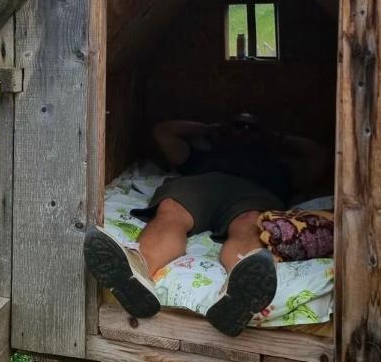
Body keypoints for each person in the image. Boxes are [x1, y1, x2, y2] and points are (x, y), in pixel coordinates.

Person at [83, 114, 327, 336]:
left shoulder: (279, 166)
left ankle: (237, 296)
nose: (243, 131)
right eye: (237, 125)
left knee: (251, 223)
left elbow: (319, 156)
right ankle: (137, 274)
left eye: (251, 127)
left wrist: (276, 139)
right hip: (202, 185)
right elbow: (163, 130)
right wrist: (209, 129)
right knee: (171, 210)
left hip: (254, 192)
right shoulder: (203, 155)